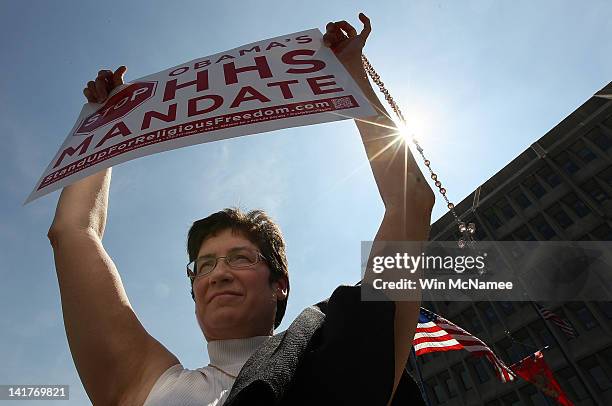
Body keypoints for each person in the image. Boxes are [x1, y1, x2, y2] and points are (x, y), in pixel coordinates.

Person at [47, 13, 435, 405]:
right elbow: (73, 232)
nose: (218, 275)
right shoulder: (142, 384)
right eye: (205, 265)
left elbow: (410, 201)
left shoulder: (352, 347)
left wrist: (351, 75)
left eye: (239, 258)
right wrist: (105, 127)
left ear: (280, 283)